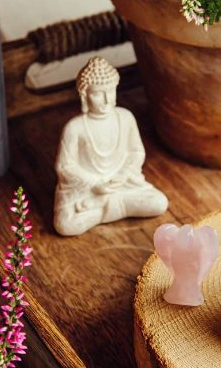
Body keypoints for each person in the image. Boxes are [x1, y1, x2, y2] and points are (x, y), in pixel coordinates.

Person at [54, 57, 168, 236]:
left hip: (122, 184)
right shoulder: (75, 127)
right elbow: (64, 167)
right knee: (65, 225)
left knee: (159, 203)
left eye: (111, 91)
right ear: (84, 95)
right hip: (87, 188)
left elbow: (136, 153)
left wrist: (120, 178)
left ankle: (103, 207)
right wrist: (96, 184)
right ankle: (113, 206)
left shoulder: (125, 117)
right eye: (98, 94)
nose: (107, 99)